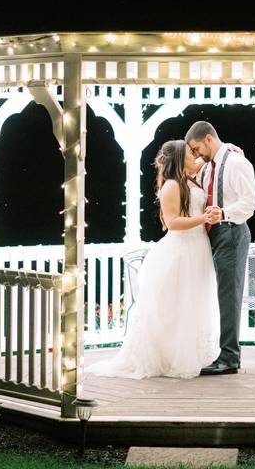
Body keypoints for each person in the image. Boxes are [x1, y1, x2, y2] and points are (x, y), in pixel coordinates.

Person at [87, 139, 221, 379]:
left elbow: (209, 157)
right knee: (175, 307)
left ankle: (188, 353)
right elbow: (172, 223)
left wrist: (229, 148)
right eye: (191, 153)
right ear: (181, 159)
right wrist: (203, 219)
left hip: (197, 248)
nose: (195, 156)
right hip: (180, 250)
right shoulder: (171, 185)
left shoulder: (189, 177)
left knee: (191, 303)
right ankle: (168, 357)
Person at [185, 121, 255, 375]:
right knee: (216, 296)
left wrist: (224, 213)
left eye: (196, 149)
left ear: (208, 139)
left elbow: (251, 202)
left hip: (232, 231)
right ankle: (219, 351)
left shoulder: (238, 164)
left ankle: (229, 357)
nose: (195, 155)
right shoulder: (208, 167)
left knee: (229, 296)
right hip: (212, 235)